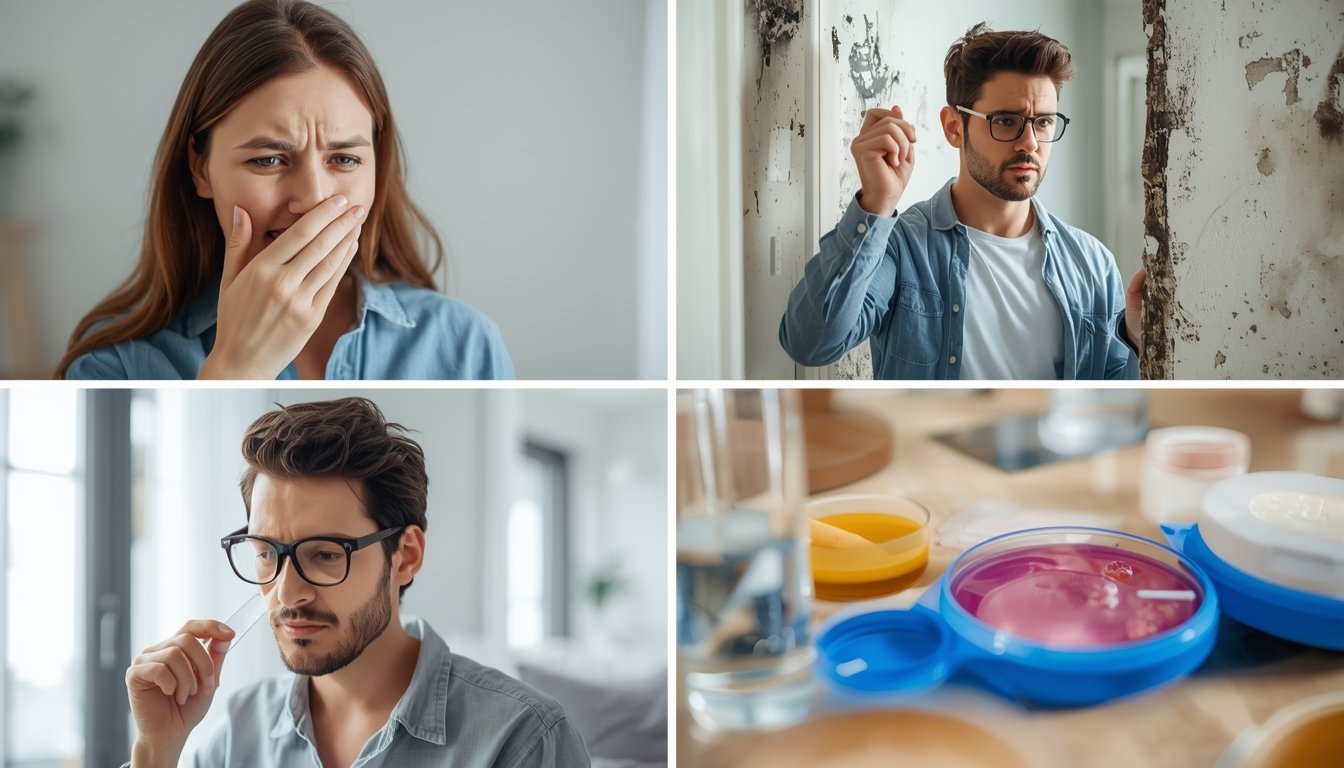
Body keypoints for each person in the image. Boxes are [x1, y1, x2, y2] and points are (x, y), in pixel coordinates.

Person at [57, 0, 513, 380]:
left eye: (345, 159)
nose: (313, 200)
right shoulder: (111, 369)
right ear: (201, 170)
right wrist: (234, 368)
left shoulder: (465, 347)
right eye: (268, 160)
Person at [123, 397, 589, 767]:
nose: (286, 594)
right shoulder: (239, 730)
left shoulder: (523, 739)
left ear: (405, 556)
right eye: (266, 554)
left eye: (325, 554)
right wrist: (156, 751)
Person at [780, 22, 1146, 380]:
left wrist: (1138, 341)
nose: (1031, 143)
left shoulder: (1092, 263)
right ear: (955, 127)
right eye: (1006, 121)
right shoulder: (902, 247)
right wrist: (877, 202)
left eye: (1044, 122)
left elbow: (1116, 395)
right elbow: (810, 344)